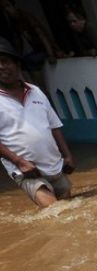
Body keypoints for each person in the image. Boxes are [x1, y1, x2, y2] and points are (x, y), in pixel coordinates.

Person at [0, 38, 75, 207]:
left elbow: (54, 126)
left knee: (71, 212)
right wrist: (19, 161)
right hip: (26, 170)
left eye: (5, 61)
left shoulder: (35, 91)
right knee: (56, 212)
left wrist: (67, 155)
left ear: (17, 64)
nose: (1, 67)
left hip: (54, 165)